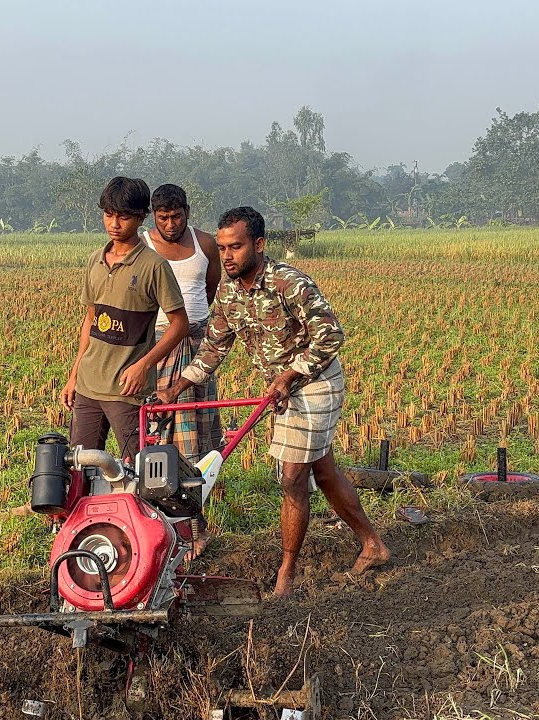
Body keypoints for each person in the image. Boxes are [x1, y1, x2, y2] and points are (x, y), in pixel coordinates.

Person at [156, 206, 389, 598]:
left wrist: (289, 374)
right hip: (280, 391)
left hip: (315, 384)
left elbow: (331, 336)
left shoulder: (289, 284)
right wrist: (175, 388)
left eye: (236, 247)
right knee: (325, 472)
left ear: (259, 245)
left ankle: (286, 575)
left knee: (293, 477)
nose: (226, 256)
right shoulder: (229, 293)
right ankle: (373, 544)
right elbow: (213, 348)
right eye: (223, 248)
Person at [61, 177, 189, 465]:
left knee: (135, 469)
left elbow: (179, 324)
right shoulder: (95, 260)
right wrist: (74, 375)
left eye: (123, 216)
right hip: (89, 387)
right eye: (109, 214)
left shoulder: (154, 266)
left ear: (141, 217)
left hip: (127, 392)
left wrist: (143, 366)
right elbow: (91, 320)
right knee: (80, 467)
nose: (114, 223)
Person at [140, 184, 225, 463]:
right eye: (163, 218)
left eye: (176, 216)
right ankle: (159, 472)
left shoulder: (206, 244)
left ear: (187, 212)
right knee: (160, 408)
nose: (171, 224)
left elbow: (210, 288)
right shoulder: (144, 247)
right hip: (160, 342)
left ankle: (201, 471)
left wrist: (193, 323)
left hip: (200, 340)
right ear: (153, 216)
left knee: (201, 410)